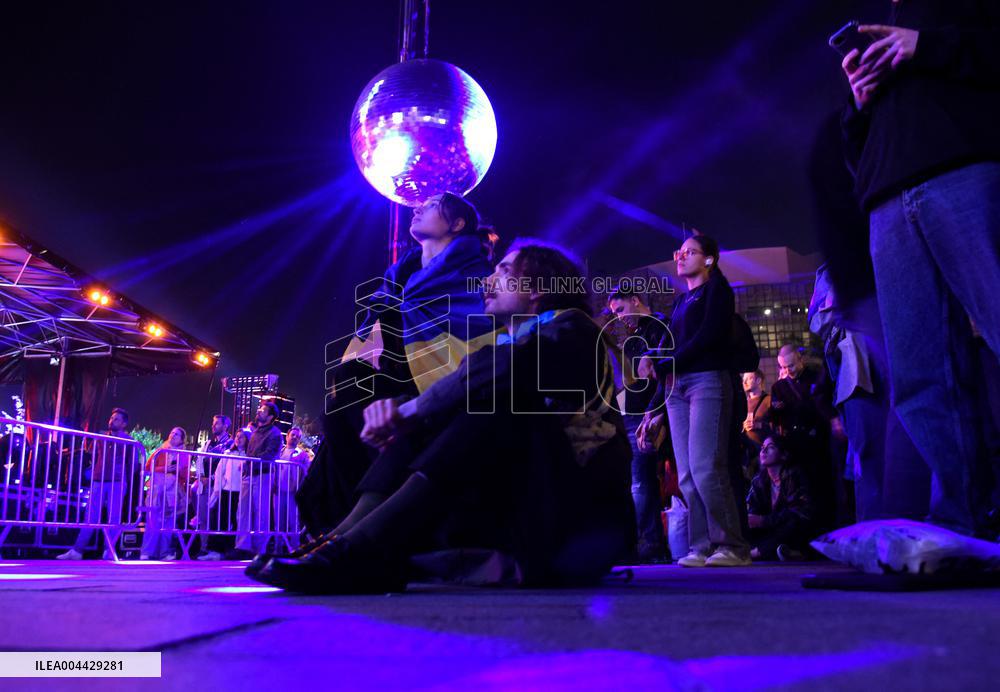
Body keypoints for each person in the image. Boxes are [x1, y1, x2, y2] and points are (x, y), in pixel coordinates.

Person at [251, 239, 633, 594]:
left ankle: (363, 547)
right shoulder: (508, 344)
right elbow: (473, 378)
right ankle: (346, 540)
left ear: (536, 287)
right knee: (434, 413)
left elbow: (499, 370)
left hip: (572, 519)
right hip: (526, 503)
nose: (488, 280)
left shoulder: (576, 329)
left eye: (503, 270)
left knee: (490, 404)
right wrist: (403, 412)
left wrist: (409, 410)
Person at [840, 1, 1000, 535]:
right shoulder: (875, 14)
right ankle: (964, 521)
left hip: (966, 165)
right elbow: (855, 149)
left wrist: (925, 45)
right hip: (888, 196)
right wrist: (859, 103)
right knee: (921, 372)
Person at [296, 193, 497, 538]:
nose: (418, 208)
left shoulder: (475, 274)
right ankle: (349, 524)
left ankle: (364, 530)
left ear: (457, 223)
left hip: (442, 380)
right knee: (345, 387)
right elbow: (376, 327)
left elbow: (483, 327)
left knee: (353, 393)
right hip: (396, 376)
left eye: (432, 207)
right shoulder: (400, 274)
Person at [638, 234, 750, 567]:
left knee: (706, 467)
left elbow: (708, 337)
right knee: (686, 473)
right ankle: (701, 547)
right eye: (679, 252)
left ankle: (732, 545)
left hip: (707, 381)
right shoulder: (679, 302)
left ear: (710, 259)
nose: (681, 257)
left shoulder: (718, 291)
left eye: (690, 252)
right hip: (677, 388)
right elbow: (671, 353)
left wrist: (668, 362)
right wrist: (656, 401)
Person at [608, 289, 669, 562]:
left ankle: (646, 544)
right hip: (634, 412)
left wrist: (652, 411)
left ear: (635, 301)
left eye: (620, 310)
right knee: (641, 482)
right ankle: (651, 543)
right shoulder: (634, 338)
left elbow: (658, 375)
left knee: (640, 483)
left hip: (647, 412)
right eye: (614, 314)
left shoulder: (659, 326)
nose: (619, 318)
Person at [769, 345, 843, 528]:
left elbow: (824, 402)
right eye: (784, 368)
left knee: (825, 483)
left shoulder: (816, 376)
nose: (788, 371)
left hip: (819, 439)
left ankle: (829, 524)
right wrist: (776, 410)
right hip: (795, 443)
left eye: (791, 366)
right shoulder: (779, 387)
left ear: (800, 359)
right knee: (803, 488)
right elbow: (774, 417)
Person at [57, 408, 137, 560]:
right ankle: (77, 551)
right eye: (111, 418)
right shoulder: (100, 437)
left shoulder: (129, 441)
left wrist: (125, 481)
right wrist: (93, 473)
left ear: (124, 423)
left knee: (113, 518)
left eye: (117, 419)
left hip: (117, 482)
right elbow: (93, 456)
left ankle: (109, 550)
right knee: (90, 516)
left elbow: (132, 465)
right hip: (98, 480)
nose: (112, 421)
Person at [747, 435, 818, 562]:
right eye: (762, 447)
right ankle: (789, 553)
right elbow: (752, 509)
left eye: (771, 447)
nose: (763, 451)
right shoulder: (759, 480)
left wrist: (764, 520)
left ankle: (759, 552)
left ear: (784, 455)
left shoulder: (794, 474)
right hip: (771, 530)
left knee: (791, 525)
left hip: (793, 528)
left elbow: (800, 513)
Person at [227, 402, 283, 559]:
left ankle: (260, 549)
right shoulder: (256, 432)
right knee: (243, 512)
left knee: (261, 513)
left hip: (263, 476)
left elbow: (269, 455)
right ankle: (242, 546)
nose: (259, 411)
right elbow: (251, 452)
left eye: (263, 410)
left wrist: (250, 462)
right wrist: (247, 465)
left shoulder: (275, 434)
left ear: (271, 416)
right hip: (249, 475)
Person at [141, 427, 191, 561]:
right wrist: (165, 469)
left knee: (168, 522)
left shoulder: (184, 454)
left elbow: (186, 475)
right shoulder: (160, 451)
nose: (173, 435)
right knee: (152, 520)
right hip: (157, 489)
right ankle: (147, 552)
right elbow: (147, 467)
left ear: (181, 439)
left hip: (173, 491)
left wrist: (178, 470)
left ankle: (164, 552)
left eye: (177, 434)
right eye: (172, 433)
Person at [199, 429, 248, 560]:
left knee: (236, 522)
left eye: (242, 437)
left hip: (240, 493)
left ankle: (231, 550)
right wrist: (217, 490)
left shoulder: (248, 457)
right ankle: (215, 550)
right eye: (237, 436)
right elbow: (219, 473)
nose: (238, 439)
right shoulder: (228, 453)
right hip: (226, 491)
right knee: (221, 521)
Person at [191, 415, 233, 561]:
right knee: (203, 517)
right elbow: (200, 460)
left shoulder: (230, 444)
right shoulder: (208, 443)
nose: (213, 426)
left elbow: (227, 465)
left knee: (217, 517)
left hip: (220, 486)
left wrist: (212, 479)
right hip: (205, 483)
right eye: (212, 423)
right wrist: (201, 476)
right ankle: (203, 548)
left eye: (217, 424)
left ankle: (215, 549)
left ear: (225, 426)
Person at [273, 426, 309, 538]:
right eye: (293, 435)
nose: (295, 437)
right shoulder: (278, 452)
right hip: (278, 491)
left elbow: (306, 473)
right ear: (287, 436)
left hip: (293, 493)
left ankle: (294, 548)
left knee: (293, 522)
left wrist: (299, 489)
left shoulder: (302, 454)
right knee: (278, 522)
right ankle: (278, 548)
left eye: (297, 436)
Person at [740, 370, 772, 479]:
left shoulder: (769, 400)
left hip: (765, 453)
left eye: (748, 378)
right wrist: (743, 426)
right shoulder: (742, 403)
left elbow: (778, 427)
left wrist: (759, 426)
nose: (744, 382)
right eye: (743, 379)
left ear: (758, 380)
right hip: (748, 455)